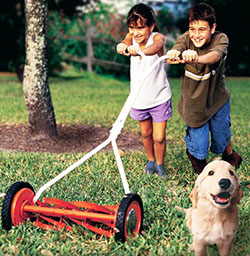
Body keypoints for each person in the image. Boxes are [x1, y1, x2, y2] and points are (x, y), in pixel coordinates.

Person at [166, 3, 242, 174]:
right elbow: (177, 47)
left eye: (202, 29)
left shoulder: (220, 38)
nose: (196, 34)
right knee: (200, 148)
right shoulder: (187, 38)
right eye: (192, 29)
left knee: (220, 138)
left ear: (212, 28)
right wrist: (173, 53)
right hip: (194, 103)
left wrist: (196, 58)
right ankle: (196, 156)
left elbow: (214, 56)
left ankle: (230, 155)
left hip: (217, 100)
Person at [116, 3, 172, 178]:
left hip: (159, 97)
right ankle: (151, 160)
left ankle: (160, 164)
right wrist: (122, 46)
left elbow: (154, 49)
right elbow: (125, 41)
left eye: (140, 27)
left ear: (151, 26)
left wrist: (139, 50)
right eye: (132, 28)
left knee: (159, 137)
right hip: (139, 99)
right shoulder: (131, 38)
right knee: (146, 134)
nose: (136, 32)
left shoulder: (157, 38)